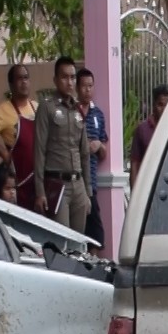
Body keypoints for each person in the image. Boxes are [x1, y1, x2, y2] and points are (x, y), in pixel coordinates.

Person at [32, 56, 92, 233]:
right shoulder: (47, 107)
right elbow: (39, 151)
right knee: (63, 239)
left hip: (78, 184)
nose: (70, 82)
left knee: (79, 240)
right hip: (58, 185)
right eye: (65, 77)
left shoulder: (78, 109)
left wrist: (88, 193)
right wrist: (40, 191)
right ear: (55, 80)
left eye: (73, 77)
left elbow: (85, 153)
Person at [0, 64, 38, 211]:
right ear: (11, 85)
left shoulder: (37, 107)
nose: (23, 82)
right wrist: (5, 155)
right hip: (20, 176)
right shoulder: (3, 110)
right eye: (19, 79)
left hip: (39, 175)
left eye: (26, 78)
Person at [76, 68, 108, 247]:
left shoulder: (98, 115)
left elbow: (104, 152)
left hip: (92, 181)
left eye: (90, 86)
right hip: (75, 177)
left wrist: (99, 146)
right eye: (84, 86)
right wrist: (85, 146)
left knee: (95, 228)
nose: (87, 90)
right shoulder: (71, 111)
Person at [129, 84, 168, 184]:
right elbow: (135, 163)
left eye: (167, 105)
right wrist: (135, 194)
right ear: (153, 105)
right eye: (160, 105)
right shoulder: (142, 130)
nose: (164, 109)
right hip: (147, 186)